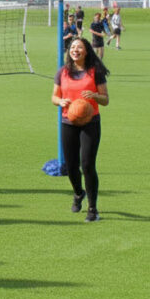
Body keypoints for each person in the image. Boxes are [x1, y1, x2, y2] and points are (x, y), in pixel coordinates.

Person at [51, 37, 110, 222]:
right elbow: (54, 96)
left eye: (79, 47)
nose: (75, 50)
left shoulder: (95, 71)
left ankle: (93, 209)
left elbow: (106, 99)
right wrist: (60, 101)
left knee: (87, 164)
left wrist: (94, 95)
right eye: (73, 47)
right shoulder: (62, 72)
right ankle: (78, 193)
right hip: (68, 122)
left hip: (90, 123)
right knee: (70, 166)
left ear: (86, 51)